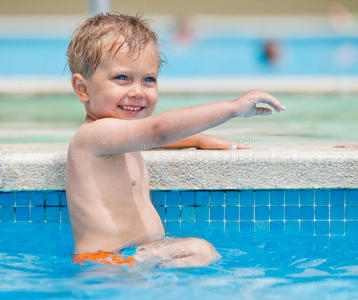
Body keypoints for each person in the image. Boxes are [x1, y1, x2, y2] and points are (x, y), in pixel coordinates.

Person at [66, 13, 285, 268]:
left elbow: (150, 138)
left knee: (201, 251)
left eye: (148, 79)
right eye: (122, 78)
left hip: (128, 261)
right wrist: (231, 108)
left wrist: (200, 140)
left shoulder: (116, 138)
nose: (137, 91)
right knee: (200, 250)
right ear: (82, 89)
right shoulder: (93, 135)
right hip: (105, 265)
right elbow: (157, 131)